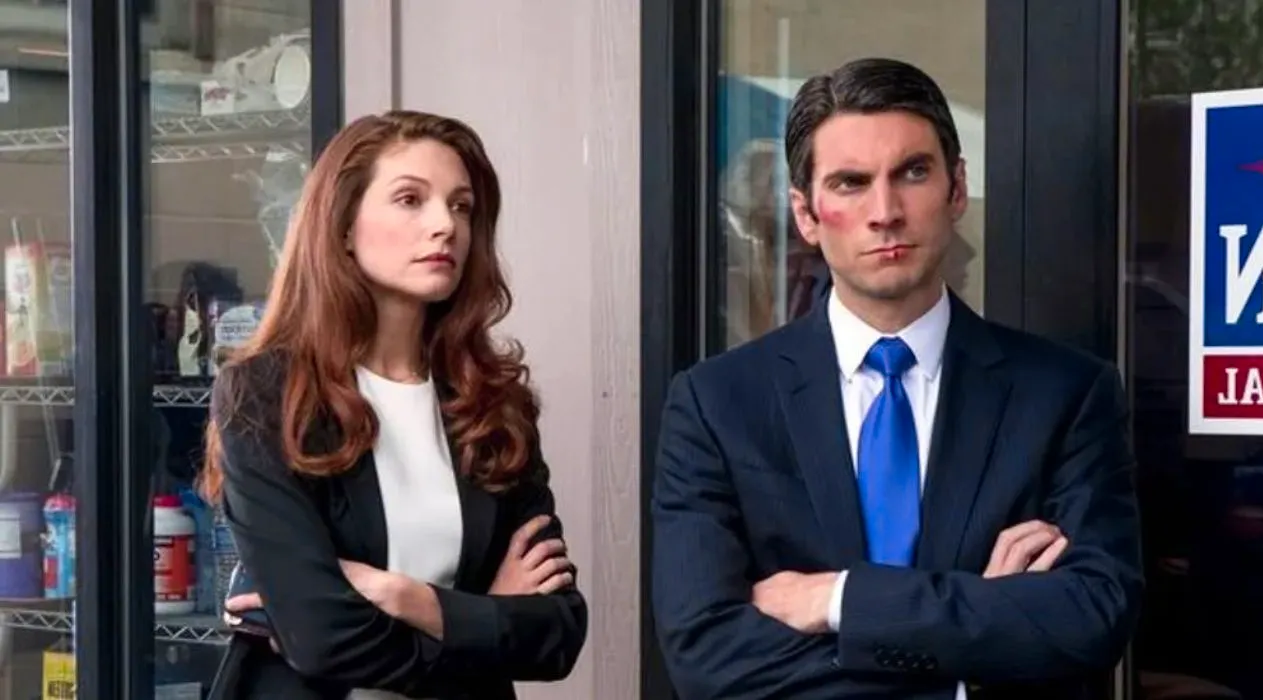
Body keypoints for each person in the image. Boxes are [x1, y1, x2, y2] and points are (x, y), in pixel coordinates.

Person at [650, 57, 1143, 699]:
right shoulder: (716, 404)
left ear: (956, 188)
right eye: (851, 183)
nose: (886, 211)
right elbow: (706, 655)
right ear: (805, 213)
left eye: (912, 172)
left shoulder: (1068, 395)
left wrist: (840, 599)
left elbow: (1091, 617)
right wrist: (969, 650)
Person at [200, 110, 587, 699]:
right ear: (344, 227)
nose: (445, 226)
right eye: (410, 199)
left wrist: (414, 600)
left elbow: (558, 633)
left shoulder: (492, 403)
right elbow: (324, 640)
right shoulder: (265, 394)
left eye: (461, 206)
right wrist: (484, 618)